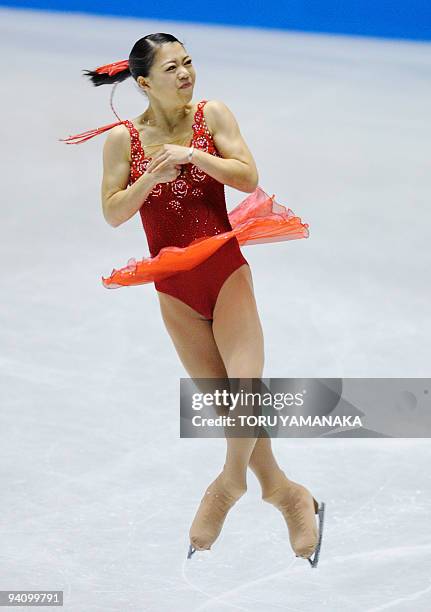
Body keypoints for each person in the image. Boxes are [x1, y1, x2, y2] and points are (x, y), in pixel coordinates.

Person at [60, 33, 324, 567]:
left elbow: (249, 177)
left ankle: (228, 486)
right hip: (172, 287)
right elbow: (113, 212)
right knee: (228, 405)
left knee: (244, 391)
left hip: (224, 270)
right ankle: (286, 493)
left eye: (188, 63)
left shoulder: (212, 114)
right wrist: (153, 175)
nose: (186, 75)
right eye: (172, 69)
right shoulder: (123, 142)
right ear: (143, 83)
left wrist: (194, 155)